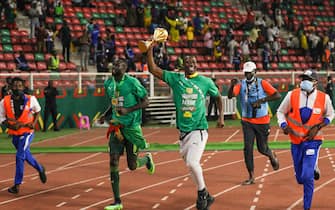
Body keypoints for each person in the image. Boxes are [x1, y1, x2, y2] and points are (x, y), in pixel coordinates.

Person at [147, 42, 224, 210]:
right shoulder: (176, 79)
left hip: (199, 130)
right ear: (183, 65)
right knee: (190, 166)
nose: (191, 64)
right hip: (183, 133)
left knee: (191, 163)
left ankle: (202, 193)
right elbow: (153, 69)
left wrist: (220, 117)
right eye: (188, 62)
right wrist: (150, 48)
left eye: (194, 62)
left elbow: (218, 97)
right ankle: (207, 195)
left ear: (197, 65)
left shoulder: (205, 82)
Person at [98, 58, 155, 210]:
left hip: (132, 127)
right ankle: (117, 201)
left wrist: (128, 110)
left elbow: (146, 102)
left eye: (118, 65)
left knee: (132, 165)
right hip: (116, 128)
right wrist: (105, 114)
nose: (114, 66)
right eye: (114, 64)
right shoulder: (108, 83)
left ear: (125, 68)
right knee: (113, 161)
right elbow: (114, 102)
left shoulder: (133, 83)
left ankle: (146, 160)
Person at [277, 69, 334, 210]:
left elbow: (331, 114)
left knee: (307, 176)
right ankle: (313, 168)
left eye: (307, 79)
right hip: (295, 142)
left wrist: (319, 126)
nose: (304, 81)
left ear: (315, 82)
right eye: (303, 78)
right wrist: (283, 125)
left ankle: (306, 207)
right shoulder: (292, 95)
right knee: (300, 178)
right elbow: (280, 112)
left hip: (313, 141)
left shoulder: (324, 98)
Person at [228, 61, 280, 185]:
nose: (247, 76)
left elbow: (277, 95)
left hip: (262, 121)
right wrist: (232, 85)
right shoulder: (241, 85)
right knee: (248, 148)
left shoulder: (262, 83)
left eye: (249, 73)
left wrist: (262, 100)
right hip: (247, 121)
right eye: (245, 73)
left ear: (255, 72)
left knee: (262, 148)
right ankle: (251, 176)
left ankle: (271, 155)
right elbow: (230, 96)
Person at [0, 77, 47, 194]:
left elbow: (38, 111)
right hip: (14, 133)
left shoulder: (31, 99)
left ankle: (17, 184)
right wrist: (10, 126)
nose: (17, 88)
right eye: (15, 86)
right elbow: (1, 118)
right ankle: (40, 168)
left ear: (23, 87)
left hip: (27, 132)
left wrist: (33, 124)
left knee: (19, 156)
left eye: (19, 86)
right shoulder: (4, 101)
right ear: (11, 87)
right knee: (26, 155)